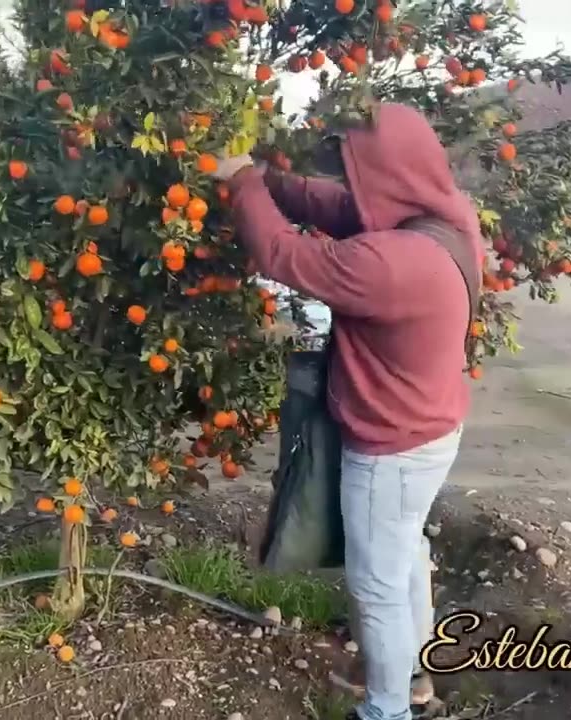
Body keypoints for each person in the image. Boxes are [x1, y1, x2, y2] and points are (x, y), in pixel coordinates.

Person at [210, 102, 483, 720]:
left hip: (390, 444)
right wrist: (269, 176)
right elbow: (336, 207)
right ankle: (413, 679)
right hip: (434, 427)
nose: (348, 181)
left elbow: (281, 255)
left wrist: (242, 183)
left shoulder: (390, 264)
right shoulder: (445, 219)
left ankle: (386, 710)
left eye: (356, 166)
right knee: (405, 552)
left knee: (377, 584)